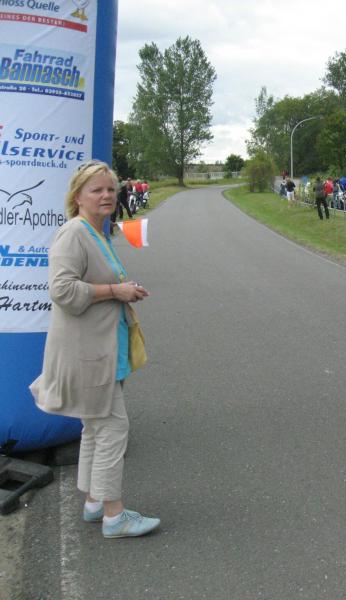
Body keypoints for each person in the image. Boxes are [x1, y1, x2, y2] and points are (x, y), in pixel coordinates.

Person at [29, 160, 159, 539]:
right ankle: (114, 517)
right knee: (113, 428)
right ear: (78, 196)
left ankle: (93, 501)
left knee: (94, 427)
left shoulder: (96, 232)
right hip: (86, 352)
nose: (106, 195)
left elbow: (96, 281)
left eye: (110, 189)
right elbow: (62, 290)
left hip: (103, 348)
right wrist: (116, 291)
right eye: (96, 190)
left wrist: (125, 289)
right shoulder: (73, 233)